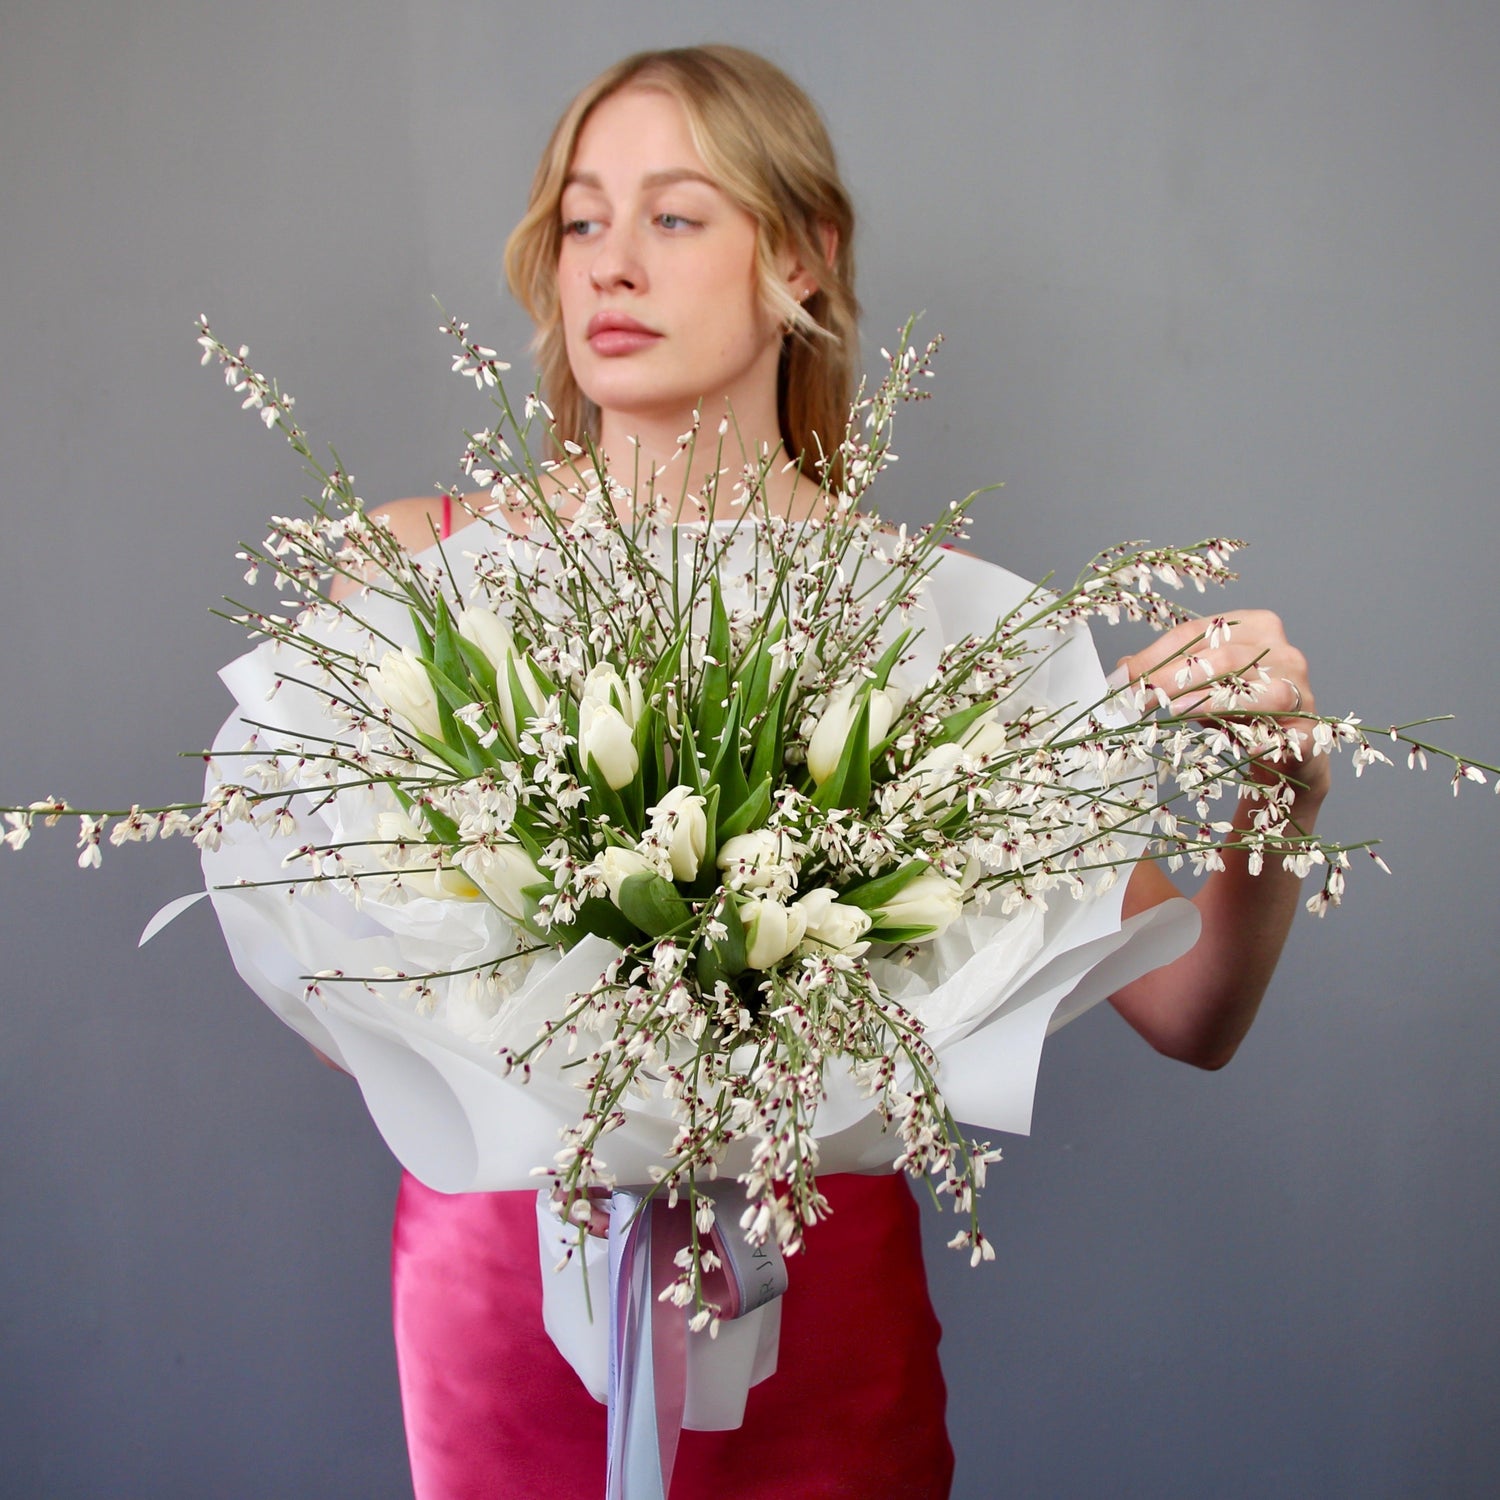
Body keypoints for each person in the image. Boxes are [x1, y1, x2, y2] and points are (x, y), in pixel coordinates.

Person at [351, 44, 1328, 1499]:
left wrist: (1281, 801)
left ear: (801, 258)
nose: (612, 264)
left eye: (675, 216)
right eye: (581, 218)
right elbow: (334, 977)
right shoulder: (421, 572)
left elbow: (1190, 1013)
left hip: (813, 1310)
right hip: (513, 1307)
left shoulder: (936, 623)